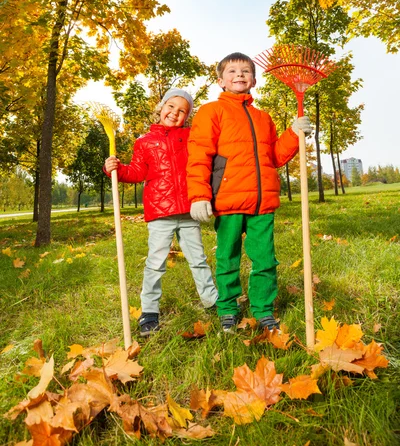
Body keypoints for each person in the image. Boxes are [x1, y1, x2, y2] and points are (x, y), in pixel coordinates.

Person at [187, 52, 312, 333]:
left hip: (262, 202)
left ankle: (263, 309)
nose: (239, 75)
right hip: (228, 200)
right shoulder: (211, 112)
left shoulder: (263, 118)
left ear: (254, 80)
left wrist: (293, 133)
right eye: (232, 71)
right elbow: (199, 155)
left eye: (245, 71)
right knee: (227, 259)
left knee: (265, 259)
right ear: (220, 81)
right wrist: (198, 195)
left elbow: (275, 157)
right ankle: (228, 308)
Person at [104, 88, 218, 337]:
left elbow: (202, 163)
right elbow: (136, 172)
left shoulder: (191, 137)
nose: (174, 113)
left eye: (181, 111)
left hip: (189, 211)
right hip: (160, 212)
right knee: (155, 263)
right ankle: (149, 312)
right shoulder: (144, 142)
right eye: (171, 107)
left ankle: (211, 300)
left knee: (198, 259)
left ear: (186, 117)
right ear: (161, 107)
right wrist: (116, 169)